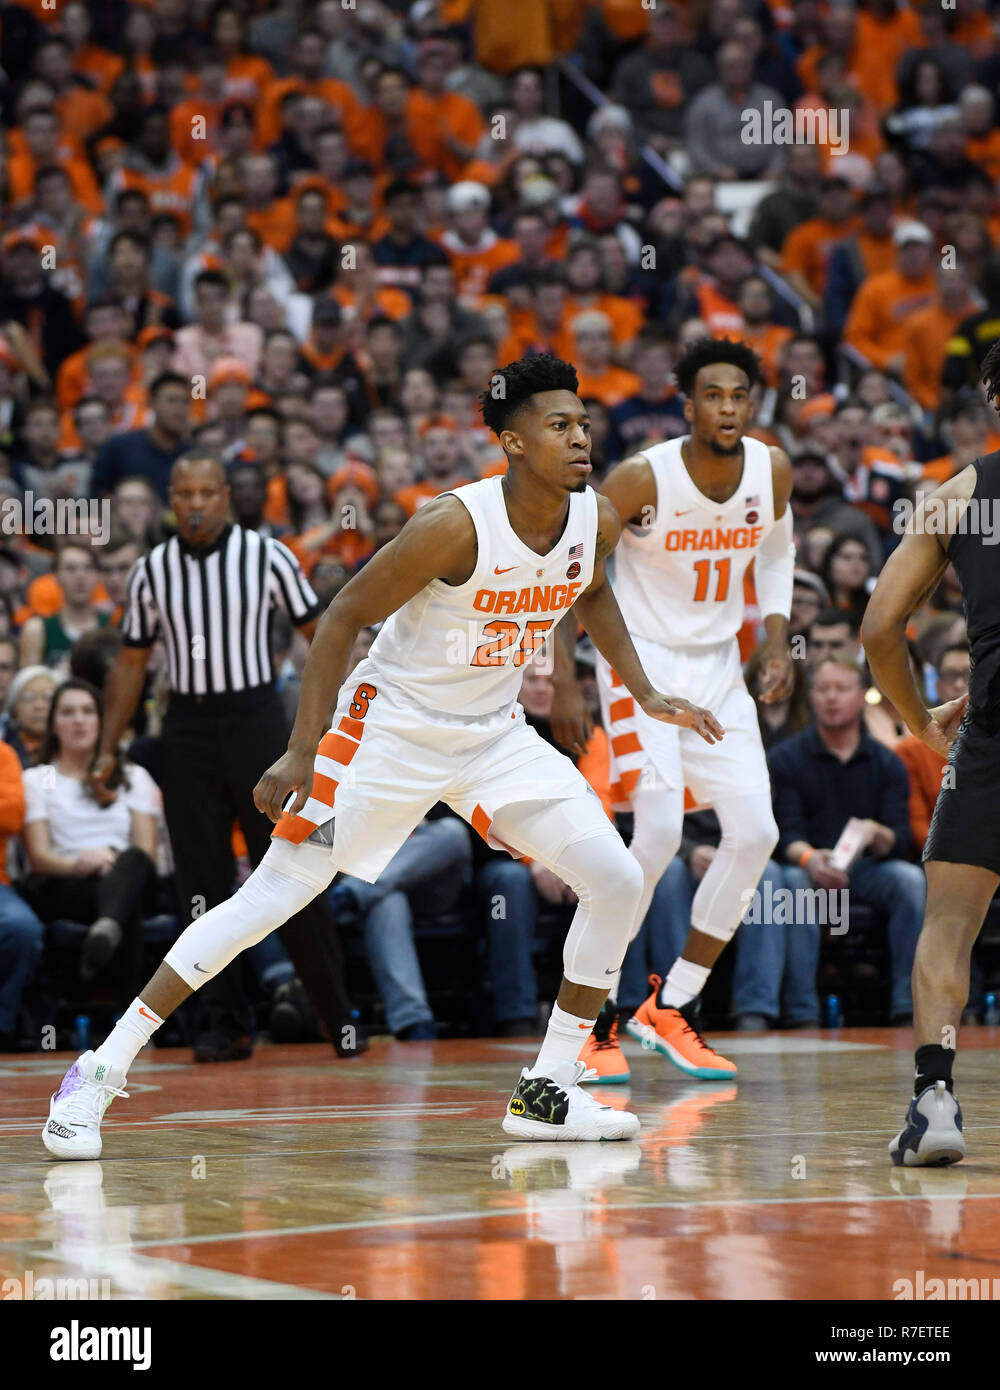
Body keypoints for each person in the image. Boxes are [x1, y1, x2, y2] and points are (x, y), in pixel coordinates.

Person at [42, 354, 723, 1157]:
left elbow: (592, 590)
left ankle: (548, 1088)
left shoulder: (595, 517)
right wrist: (302, 752)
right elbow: (339, 618)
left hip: (494, 734)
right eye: (559, 425)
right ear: (511, 442)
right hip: (388, 730)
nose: (581, 438)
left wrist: (641, 690)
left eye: (583, 424)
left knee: (614, 878)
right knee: (269, 901)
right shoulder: (454, 524)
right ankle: (96, 1071)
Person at [551, 337, 794, 1082]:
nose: (727, 408)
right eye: (712, 395)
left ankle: (671, 1004)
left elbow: (777, 549)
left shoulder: (771, 468)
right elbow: (572, 560)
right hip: (641, 663)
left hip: (721, 666)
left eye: (739, 396)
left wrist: (777, 638)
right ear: (686, 405)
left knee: (756, 833)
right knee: (655, 836)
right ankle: (591, 1021)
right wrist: (563, 673)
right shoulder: (638, 478)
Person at [86, 451, 362, 1064]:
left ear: (226, 497)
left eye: (207, 492)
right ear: (171, 500)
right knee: (200, 883)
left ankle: (335, 1014)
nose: (196, 504)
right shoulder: (150, 570)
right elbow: (131, 661)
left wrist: (333, 719)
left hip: (256, 721)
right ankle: (225, 1022)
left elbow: (321, 632)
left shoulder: (267, 555)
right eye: (185, 494)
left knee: (293, 864)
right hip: (185, 727)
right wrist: (109, 745)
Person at [861, 341, 1000, 1163]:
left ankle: (935, 1103)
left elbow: (880, 627)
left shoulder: (961, 492)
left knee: (947, 929)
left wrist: (919, 720)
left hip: (993, 737)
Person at [20, 679, 160, 994]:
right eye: (68, 712)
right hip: (70, 882)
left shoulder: (133, 776)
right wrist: (80, 863)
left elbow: (146, 853)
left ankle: (106, 928)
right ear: (53, 724)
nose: (79, 720)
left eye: (87, 711)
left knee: (131, 869)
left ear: (101, 721)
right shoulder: (38, 779)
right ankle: (133, 1023)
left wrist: (112, 862)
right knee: (126, 905)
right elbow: (39, 859)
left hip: (128, 873)